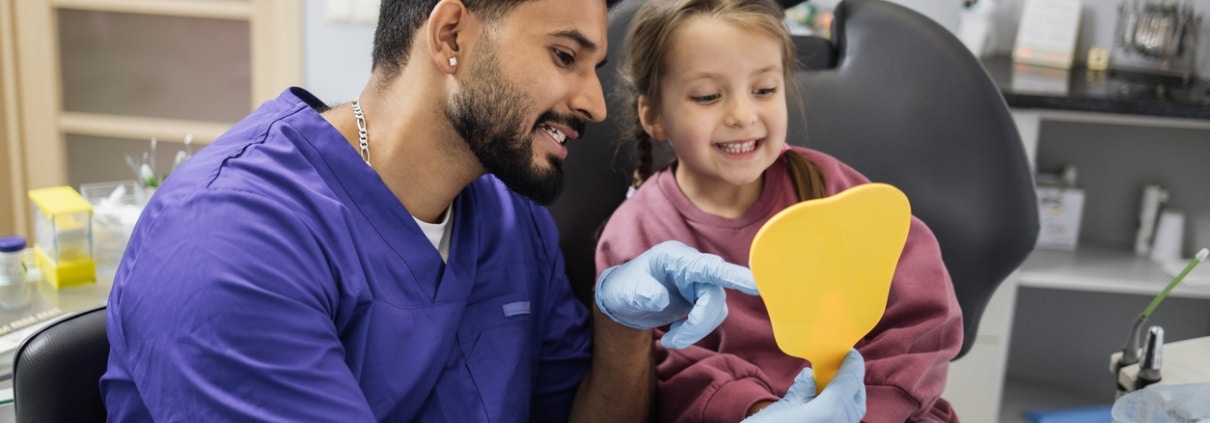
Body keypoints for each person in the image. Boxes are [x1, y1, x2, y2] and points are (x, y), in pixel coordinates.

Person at [100, 0, 757, 421]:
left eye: (596, 68)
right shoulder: (231, 242)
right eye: (564, 57)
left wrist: (620, 330)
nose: (593, 102)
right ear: (450, 36)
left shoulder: (509, 213)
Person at [595, 0, 965, 421]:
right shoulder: (637, 236)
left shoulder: (833, 191)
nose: (742, 115)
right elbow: (663, 370)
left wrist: (869, 408)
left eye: (764, 90)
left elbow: (919, 321)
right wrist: (759, 411)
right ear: (655, 116)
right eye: (708, 95)